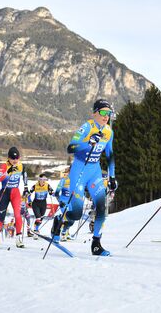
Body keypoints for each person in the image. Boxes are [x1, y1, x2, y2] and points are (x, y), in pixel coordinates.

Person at [54, 99, 117, 256]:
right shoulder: (87, 127)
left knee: (102, 208)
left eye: (108, 113)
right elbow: (71, 147)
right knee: (75, 214)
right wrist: (88, 143)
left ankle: (96, 245)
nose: (106, 116)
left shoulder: (109, 131)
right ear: (94, 113)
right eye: (103, 112)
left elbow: (109, 155)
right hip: (79, 170)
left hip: (94, 171)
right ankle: (59, 220)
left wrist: (112, 176)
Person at [0, 147, 28, 248]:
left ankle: (18, 239)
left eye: (16, 158)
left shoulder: (21, 165)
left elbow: (25, 176)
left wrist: (26, 187)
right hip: (5, 192)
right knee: (1, 216)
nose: (15, 161)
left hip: (15, 192)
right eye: (12, 159)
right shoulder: (4, 166)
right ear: (8, 158)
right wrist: (8, 171)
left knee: (18, 215)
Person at [28, 173, 54, 238]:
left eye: (44, 179)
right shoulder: (35, 186)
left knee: (41, 218)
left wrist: (52, 193)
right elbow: (29, 194)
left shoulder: (47, 185)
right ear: (39, 179)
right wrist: (29, 201)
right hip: (36, 203)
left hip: (43, 203)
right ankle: (36, 231)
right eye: (42, 179)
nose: (43, 181)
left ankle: (35, 229)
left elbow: (52, 192)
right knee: (38, 217)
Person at [54, 167, 73, 241]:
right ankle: (63, 233)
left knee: (72, 218)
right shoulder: (63, 180)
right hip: (64, 201)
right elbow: (56, 193)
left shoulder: (77, 180)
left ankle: (66, 231)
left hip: (72, 201)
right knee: (67, 218)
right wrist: (60, 202)